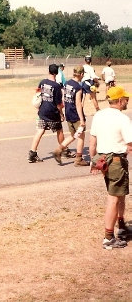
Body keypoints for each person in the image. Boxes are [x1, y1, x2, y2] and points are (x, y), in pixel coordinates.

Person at [89, 86, 132, 249]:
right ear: (120, 101)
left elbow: (92, 142)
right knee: (113, 198)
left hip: (103, 160)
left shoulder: (99, 115)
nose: (127, 102)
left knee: (119, 195)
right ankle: (108, 237)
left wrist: (94, 162)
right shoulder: (122, 118)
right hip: (116, 162)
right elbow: (130, 143)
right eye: (125, 99)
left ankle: (121, 226)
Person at [28, 64, 71, 163]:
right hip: (52, 112)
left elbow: (38, 93)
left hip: (42, 111)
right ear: (57, 73)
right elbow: (58, 104)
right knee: (59, 130)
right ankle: (63, 150)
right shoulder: (56, 86)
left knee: (40, 131)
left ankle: (32, 153)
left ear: (49, 71)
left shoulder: (42, 82)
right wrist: (61, 114)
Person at [53, 66, 89, 166]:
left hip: (68, 112)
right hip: (75, 114)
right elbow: (78, 104)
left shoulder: (67, 83)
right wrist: (82, 119)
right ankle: (79, 159)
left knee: (73, 134)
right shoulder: (78, 87)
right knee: (81, 136)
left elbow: (64, 98)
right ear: (81, 74)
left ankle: (59, 150)